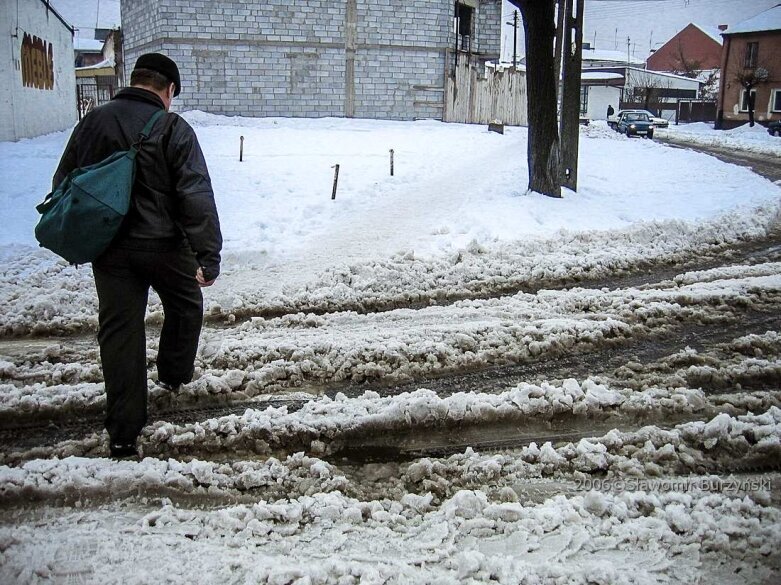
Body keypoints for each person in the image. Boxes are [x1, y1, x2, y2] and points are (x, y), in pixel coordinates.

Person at [52, 53, 223, 459]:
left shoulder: (93, 122)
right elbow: (195, 194)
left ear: (135, 81)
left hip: (110, 251)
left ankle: (124, 435)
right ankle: (174, 375)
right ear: (169, 90)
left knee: (121, 333)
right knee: (185, 305)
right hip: (165, 247)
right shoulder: (172, 127)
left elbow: (64, 182)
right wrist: (207, 255)